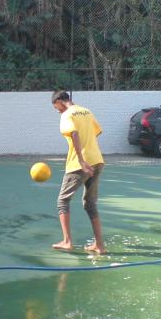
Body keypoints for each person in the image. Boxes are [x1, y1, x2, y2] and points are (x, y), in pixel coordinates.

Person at [51, 90, 106, 254]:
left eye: (56, 107)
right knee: (90, 203)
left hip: (79, 164)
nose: (57, 111)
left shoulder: (67, 115)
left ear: (59, 101)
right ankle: (100, 245)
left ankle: (67, 241)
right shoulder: (86, 111)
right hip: (97, 160)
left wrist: (82, 160)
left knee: (62, 201)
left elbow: (74, 133)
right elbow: (97, 132)